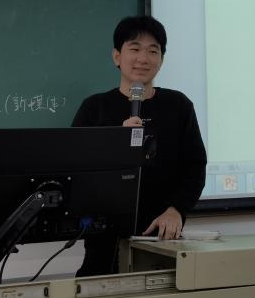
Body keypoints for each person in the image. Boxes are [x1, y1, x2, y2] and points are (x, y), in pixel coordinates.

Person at [71, 15, 207, 276]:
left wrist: (176, 210)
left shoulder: (178, 106)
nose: (143, 58)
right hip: (104, 242)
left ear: (161, 59)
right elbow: (75, 169)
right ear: (117, 56)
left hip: (162, 239)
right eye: (134, 49)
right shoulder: (95, 108)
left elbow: (195, 166)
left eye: (153, 51)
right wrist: (116, 144)